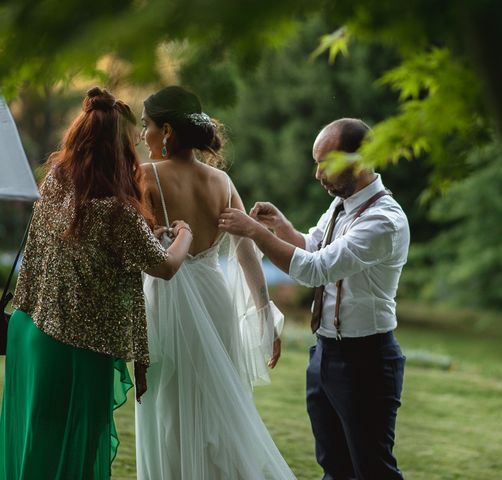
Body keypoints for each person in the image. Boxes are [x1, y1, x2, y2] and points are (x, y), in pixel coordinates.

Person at [0, 87, 193, 480]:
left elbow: (90, 252)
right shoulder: (117, 209)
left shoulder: (55, 185)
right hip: (77, 345)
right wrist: (184, 235)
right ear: (121, 150)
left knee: (32, 442)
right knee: (72, 449)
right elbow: (166, 266)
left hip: (28, 331)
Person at [219, 117, 410, 480]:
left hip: (366, 360)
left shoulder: (384, 221)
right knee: (334, 466)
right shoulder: (342, 205)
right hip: (325, 353)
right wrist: (283, 228)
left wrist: (257, 233)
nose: (317, 174)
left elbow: (316, 269)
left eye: (325, 163)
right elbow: (313, 245)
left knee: (373, 470)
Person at [135, 85, 295, 479]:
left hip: (167, 304)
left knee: (168, 410)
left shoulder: (145, 177)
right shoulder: (222, 182)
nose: (143, 136)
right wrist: (264, 312)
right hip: (215, 300)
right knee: (216, 410)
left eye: (146, 126)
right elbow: (245, 253)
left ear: (167, 130)